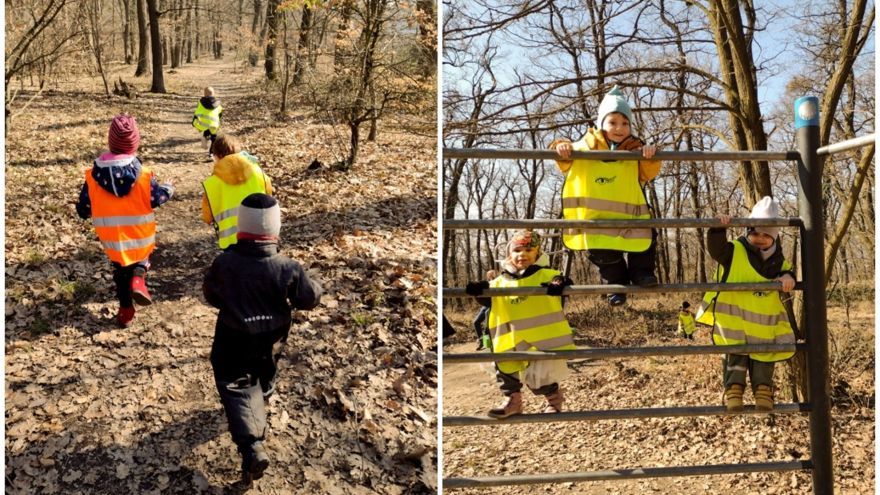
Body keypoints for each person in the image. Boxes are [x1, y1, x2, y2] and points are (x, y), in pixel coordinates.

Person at [203, 193, 322, 483]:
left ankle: (252, 445)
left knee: (234, 382)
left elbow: (212, 294)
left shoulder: (225, 262)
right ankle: (263, 395)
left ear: (241, 228)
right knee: (264, 372)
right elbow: (308, 298)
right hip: (273, 335)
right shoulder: (288, 267)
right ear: (275, 231)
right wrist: (315, 286)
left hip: (233, 334)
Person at [551, 85, 661, 306]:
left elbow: (648, 174)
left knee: (646, 242)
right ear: (600, 124)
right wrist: (560, 147)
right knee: (605, 256)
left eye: (625, 123)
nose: (619, 128)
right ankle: (616, 286)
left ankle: (641, 274)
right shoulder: (583, 146)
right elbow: (564, 161)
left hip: (630, 215)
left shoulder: (635, 150)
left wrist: (650, 156)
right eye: (612, 122)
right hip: (594, 219)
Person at [695, 196, 796, 412]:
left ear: (775, 238)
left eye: (766, 236)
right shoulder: (734, 251)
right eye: (755, 233)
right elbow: (716, 250)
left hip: (763, 321)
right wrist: (718, 228)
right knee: (735, 355)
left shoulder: (777, 259)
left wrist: (788, 277)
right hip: (734, 319)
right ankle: (734, 392)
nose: (760, 238)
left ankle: (763, 392)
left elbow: (787, 270)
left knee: (764, 355)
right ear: (747, 232)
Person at [76, 114, 173, 328]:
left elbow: (84, 207)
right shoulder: (144, 175)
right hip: (140, 235)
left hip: (112, 239)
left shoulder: (93, 176)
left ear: (111, 142)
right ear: (134, 145)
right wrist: (168, 189)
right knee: (141, 258)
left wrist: (84, 212)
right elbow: (156, 199)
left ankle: (126, 310)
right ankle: (139, 276)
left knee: (120, 272)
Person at [466, 230, 575, 418]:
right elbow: (488, 302)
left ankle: (554, 401)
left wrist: (559, 283)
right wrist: (479, 291)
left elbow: (563, 283)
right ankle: (513, 401)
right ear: (509, 254)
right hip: (510, 338)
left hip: (541, 338)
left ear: (537, 254)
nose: (522, 254)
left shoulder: (546, 274)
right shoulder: (500, 281)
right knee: (505, 370)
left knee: (541, 378)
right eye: (516, 250)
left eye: (528, 250)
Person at [201, 134, 273, 249]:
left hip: (230, 241)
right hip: (259, 233)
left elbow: (207, 217)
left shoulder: (212, 183)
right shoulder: (258, 172)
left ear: (219, 155)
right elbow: (269, 196)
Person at [192, 86, 223, 156]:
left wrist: (193, 121)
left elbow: (197, 112)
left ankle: (205, 137)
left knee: (207, 128)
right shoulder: (217, 104)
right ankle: (211, 153)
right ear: (213, 94)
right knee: (214, 138)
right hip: (213, 123)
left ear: (204, 94)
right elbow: (220, 113)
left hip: (202, 123)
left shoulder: (200, 102)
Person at [472, 270, 497, 350]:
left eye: (491, 274)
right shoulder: (485, 284)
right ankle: (481, 341)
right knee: (476, 322)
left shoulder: (497, 282)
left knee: (487, 327)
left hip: (493, 305)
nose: (489, 276)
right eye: (488, 275)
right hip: (486, 305)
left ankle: (490, 344)